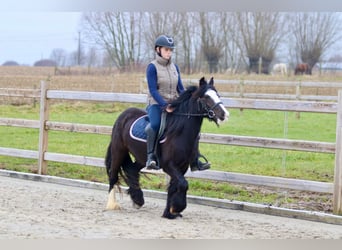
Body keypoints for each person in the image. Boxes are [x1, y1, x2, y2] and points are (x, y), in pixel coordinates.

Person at [145, 34, 210, 171]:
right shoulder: (152, 67)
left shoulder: (175, 67)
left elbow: (180, 88)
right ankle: (151, 156)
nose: (169, 53)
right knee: (155, 125)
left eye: (170, 50)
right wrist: (164, 105)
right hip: (156, 104)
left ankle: (194, 160)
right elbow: (153, 90)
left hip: (174, 104)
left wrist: (190, 100)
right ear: (158, 50)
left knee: (190, 127)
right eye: (166, 50)